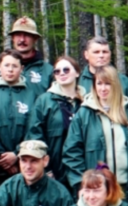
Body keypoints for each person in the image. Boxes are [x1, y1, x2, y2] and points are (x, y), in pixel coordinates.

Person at [62, 65, 128, 200]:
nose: (103, 88)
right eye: (99, 83)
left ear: (115, 85)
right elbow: (71, 153)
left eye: (108, 83)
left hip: (127, 188)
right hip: (96, 189)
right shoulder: (84, 114)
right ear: (94, 85)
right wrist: (81, 184)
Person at [25, 56, 85, 187]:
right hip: (55, 171)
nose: (61, 73)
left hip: (83, 171)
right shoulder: (44, 101)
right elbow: (35, 136)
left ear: (77, 72)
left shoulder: (87, 102)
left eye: (66, 70)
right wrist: (45, 168)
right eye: (57, 71)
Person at [0, 49, 37, 182]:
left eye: (14, 66)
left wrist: (17, 154)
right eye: (6, 65)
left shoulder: (31, 94)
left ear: (21, 69)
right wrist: (3, 159)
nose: (10, 70)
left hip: (23, 163)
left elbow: (33, 128)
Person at [78, 36, 128, 113]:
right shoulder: (78, 82)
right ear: (86, 55)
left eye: (105, 52)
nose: (101, 55)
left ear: (110, 54)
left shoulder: (124, 82)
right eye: (96, 52)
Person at [9, 16, 52, 98]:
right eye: (18, 35)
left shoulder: (48, 71)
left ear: (35, 38)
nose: (22, 39)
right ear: (12, 38)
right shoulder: (3, 69)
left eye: (27, 35)